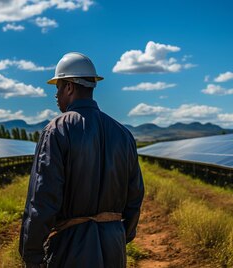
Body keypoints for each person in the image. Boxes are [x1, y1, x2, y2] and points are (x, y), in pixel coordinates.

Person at [19, 52, 145, 268]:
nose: (56, 94)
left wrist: (31, 253)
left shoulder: (57, 131)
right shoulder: (124, 134)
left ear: (69, 87)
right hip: (114, 246)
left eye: (58, 87)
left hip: (72, 248)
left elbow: (43, 199)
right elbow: (135, 194)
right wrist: (122, 233)